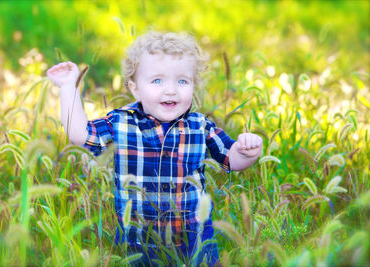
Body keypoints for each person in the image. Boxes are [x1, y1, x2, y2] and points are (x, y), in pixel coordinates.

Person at [47, 31, 262, 266]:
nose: (171, 90)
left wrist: (246, 151)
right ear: (135, 88)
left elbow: (230, 159)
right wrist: (69, 87)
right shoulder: (120, 123)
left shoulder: (200, 126)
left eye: (182, 81)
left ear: (194, 85)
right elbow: (79, 134)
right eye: (157, 81)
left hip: (195, 240)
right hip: (137, 242)